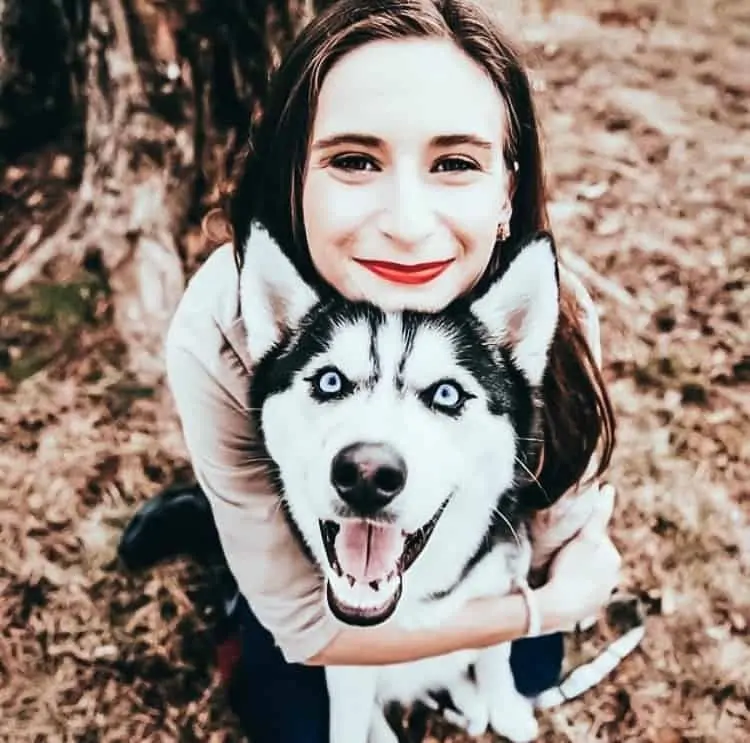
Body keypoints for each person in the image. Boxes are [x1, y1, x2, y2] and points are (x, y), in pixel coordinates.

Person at [119, 0, 622, 740]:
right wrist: (539, 610)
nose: (408, 223)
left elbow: (563, 524)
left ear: (506, 193)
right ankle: (214, 543)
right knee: (282, 713)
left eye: (455, 163)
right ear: (295, 176)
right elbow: (306, 625)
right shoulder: (225, 321)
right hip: (309, 561)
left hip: (467, 553)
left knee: (533, 674)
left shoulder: (548, 305)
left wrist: (569, 567)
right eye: (355, 160)